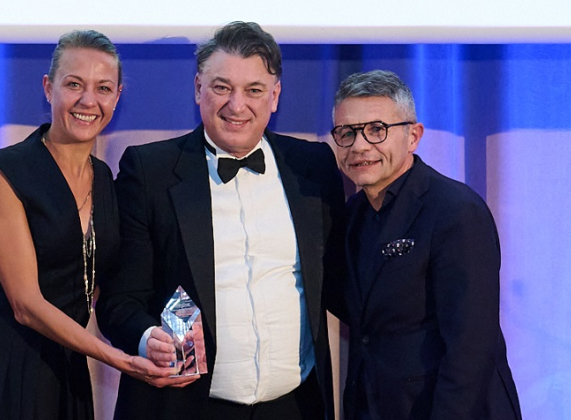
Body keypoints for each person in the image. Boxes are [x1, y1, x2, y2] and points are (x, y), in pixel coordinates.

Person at [96, 21, 346, 420]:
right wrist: (147, 339)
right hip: (186, 407)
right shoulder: (150, 171)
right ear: (198, 89)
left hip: (295, 407)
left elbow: (339, 281)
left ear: (275, 96)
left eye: (254, 90)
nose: (237, 105)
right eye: (222, 87)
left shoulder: (313, 167)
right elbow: (120, 301)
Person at [0, 30, 194, 420]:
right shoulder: (3, 170)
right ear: (49, 88)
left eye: (103, 88)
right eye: (74, 84)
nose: (88, 101)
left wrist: (164, 332)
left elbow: (113, 284)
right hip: (0, 369)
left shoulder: (105, 179)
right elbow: (25, 305)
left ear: (117, 97)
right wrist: (119, 360)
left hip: (66, 369)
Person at [330, 69, 522, 420]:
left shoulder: (455, 211)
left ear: (413, 136)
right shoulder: (352, 214)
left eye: (376, 130)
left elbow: (470, 350)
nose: (359, 146)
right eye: (347, 133)